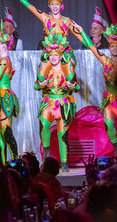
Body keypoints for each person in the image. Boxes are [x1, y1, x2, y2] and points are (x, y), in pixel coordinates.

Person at [13, 0, 102, 64]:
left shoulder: (67, 21)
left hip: (64, 54)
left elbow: (82, 39)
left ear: (61, 6)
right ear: (49, 5)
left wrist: (100, 57)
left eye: (57, 4)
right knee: (41, 74)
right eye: (52, 4)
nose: (55, 7)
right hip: (49, 54)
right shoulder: (45, 18)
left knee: (70, 72)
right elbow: (30, 6)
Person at [34, 33, 78, 172]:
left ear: (61, 56)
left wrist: (72, 86)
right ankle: (47, 152)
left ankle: (64, 162)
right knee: (43, 125)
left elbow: (76, 87)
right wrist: (41, 84)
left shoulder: (67, 69)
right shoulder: (45, 69)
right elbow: (36, 85)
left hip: (63, 103)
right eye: (51, 55)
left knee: (62, 134)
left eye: (56, 55)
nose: (53, 57)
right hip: (48, 102)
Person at [91, 24, 117, 159]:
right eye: (112, 46)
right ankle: (116, 147)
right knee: (108, 124)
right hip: (109, 99)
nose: (114, 48)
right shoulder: (105, 60)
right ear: (109, 48)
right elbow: (91, 47)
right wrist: (79, 31)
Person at [0, 24, 19, 165]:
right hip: (0, 96)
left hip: (4, 96)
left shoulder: (3, 61)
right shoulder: (4, 60)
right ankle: (4, 160)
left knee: (6, 130)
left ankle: (15, 159)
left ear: (4, 46)